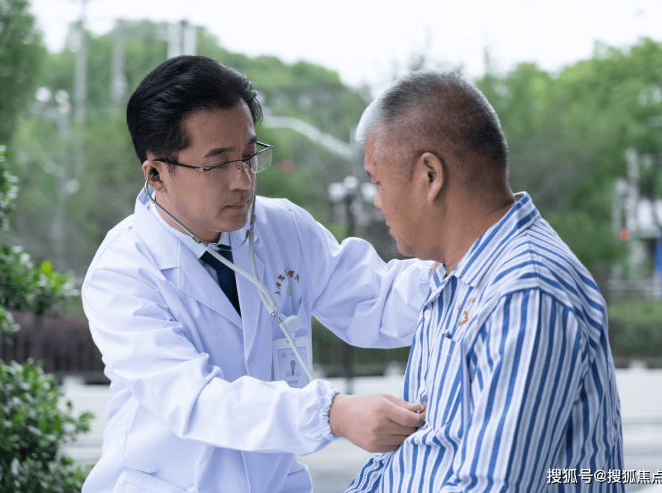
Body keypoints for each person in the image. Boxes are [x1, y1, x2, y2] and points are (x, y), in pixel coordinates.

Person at [81, 56, 428, 493]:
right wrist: (332, 414)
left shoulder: (282, 227)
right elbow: (197, 401)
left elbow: (376, 299)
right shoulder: (122, 272)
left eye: (249, 156)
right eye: (218, 164)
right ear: (156, 174)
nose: (243, 180)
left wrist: (464, 262)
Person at [347, 71, 624, 492]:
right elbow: (411, 460)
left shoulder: (526, 292)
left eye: (378, 181)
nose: (376, 200)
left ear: (429, 176)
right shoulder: (451, 281)